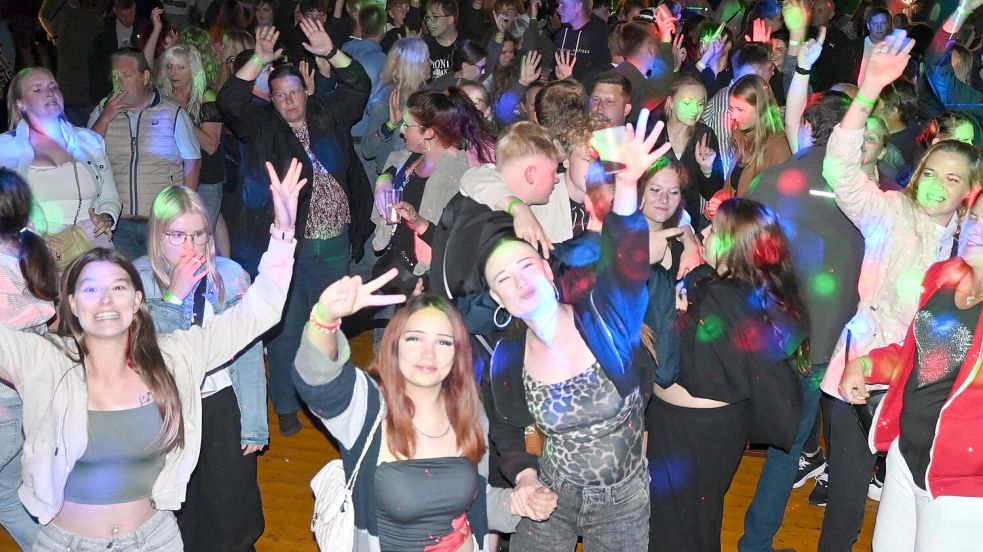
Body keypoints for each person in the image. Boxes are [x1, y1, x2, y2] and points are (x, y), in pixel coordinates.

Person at [0, 159, 301, 551]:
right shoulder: (45, 361)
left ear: (138, 300)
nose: (106, 298)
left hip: (156, 540)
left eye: (119, 288)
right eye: (91, 289)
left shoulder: (176, 356)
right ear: (70, 303)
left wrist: (283, 231)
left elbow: (260, 310)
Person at [817, 29, 983, 552]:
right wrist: (867, 92)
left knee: (907, 505)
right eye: (931, 171)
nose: (937, 184)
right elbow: (839, 169)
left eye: (953, 179)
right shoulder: (890, 212)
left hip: (936, 404)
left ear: (968, 193)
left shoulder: (971, 248)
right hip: (863, 375)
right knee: (848, 498)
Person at [482, 110, 671, 550]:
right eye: (503, 279)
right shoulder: (507, 356)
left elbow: (625, 259)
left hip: (623, 501)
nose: (520, 282)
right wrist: (526, 478)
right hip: (553, 497)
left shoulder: (602, 317)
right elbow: (506, 429)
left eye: (525, 267)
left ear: (548, 271)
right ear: (498, 300)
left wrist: (626, 185)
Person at [217, 21, 373, 436]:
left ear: (306, 90)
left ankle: (333, 399)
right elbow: (229, 104)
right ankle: (286, 405)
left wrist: (332, 51)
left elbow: (359, 86)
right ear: (271, 98)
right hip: (291, 249)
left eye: (294, 93)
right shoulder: (262, 127)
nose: (288, 101)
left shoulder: (328, 113)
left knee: (328, 325)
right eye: (279, 95)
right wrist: (257, 60)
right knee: (285, 329)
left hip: (335, 244)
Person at [741, 57, 864, 549]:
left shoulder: (771, 181)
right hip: (824, 349)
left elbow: (741, 259)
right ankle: (755, 544)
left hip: (763, 338)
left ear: (809, 128)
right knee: (786, 452)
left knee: (741, 441)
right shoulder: (862, 192)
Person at [649, 197, 808, 552]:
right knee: (684, 524)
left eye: (713, 230)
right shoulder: (741, 290)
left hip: (696, 431)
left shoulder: (728, 296)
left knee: (680, 530)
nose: (704, 233)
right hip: (685, 425)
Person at [839, 189, 983, 551]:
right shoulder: (943, 277)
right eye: (975, 217)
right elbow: (913, 353)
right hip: (906, 453)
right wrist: (866, 364)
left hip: (962, 482)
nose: (976, 229)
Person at [134, 185, 267, 551]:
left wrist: (254, 421)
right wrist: (173, 297)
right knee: (177, 499)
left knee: (230, 500)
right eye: (177, 235)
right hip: (164, 407)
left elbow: (248, 351)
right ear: (157, 236)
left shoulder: (231, 276)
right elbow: (146, 358)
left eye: (198, 234)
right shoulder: (137, 281)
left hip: (221, 400)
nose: (190, 245)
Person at [88, 48, 202, 260]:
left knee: (163, 283)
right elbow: (86, 155)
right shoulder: (103, 110)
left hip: (161, 221)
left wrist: (184, 210)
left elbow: (192, 161)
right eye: (115, 76)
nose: (119, 82)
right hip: (118, 223)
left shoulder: (172, 111)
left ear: (145, 76)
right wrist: (106, 117)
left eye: (127, 75)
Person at [0, 68, 121, 260]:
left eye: (53, 87)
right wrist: (27, 233)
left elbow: (110, 196)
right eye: (37, 89)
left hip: (93, 247)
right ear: (20, 103)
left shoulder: (89, 141)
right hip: (38, 252)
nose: (50, 93)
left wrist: (106, 217)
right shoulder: (5, 148)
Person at [0, 169, 57, 550]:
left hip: (5, 405)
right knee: (14, 492)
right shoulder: (28, 248)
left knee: (8, 495)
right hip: (30, 397)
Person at [154, 44, 225, 233]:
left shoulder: (207, 97)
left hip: (206, 177)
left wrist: (181, 117)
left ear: (193, 69)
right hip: (172, 175)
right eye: (169, 67)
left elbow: (211, 145)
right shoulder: (163, 96)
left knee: (202, 232)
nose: (173, 73)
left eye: (180, 67)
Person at [653, 73, 723, 232]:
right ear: (670, 102)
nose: (695, 110)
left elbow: (714, 192)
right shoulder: (652, 132)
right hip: (652, 221)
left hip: (687, 225)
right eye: (687, 103)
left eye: (700, 104)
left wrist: (706, 169)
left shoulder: (705, 135)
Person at [357, 37, 431, 180]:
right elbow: (367, 150)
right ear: (414, 65)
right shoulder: (386, 100)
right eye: (427, 58)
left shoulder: (425, 93)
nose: (431, 63)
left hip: (419, 172)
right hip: (393, 180)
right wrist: (390, 125)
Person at [551, 0, 611, 82]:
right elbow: (554, 72)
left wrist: (569, 80)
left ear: (577, 7)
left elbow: (601, 77)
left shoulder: (599, 36)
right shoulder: (561, 35)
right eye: (559, 5)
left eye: (563, 5)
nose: (558, 9)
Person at [424, 0, 462, 81]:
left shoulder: (466, 44)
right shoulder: (424, 45)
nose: (428, 22)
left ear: (450, 19)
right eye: (427, 17)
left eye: (434, 17)